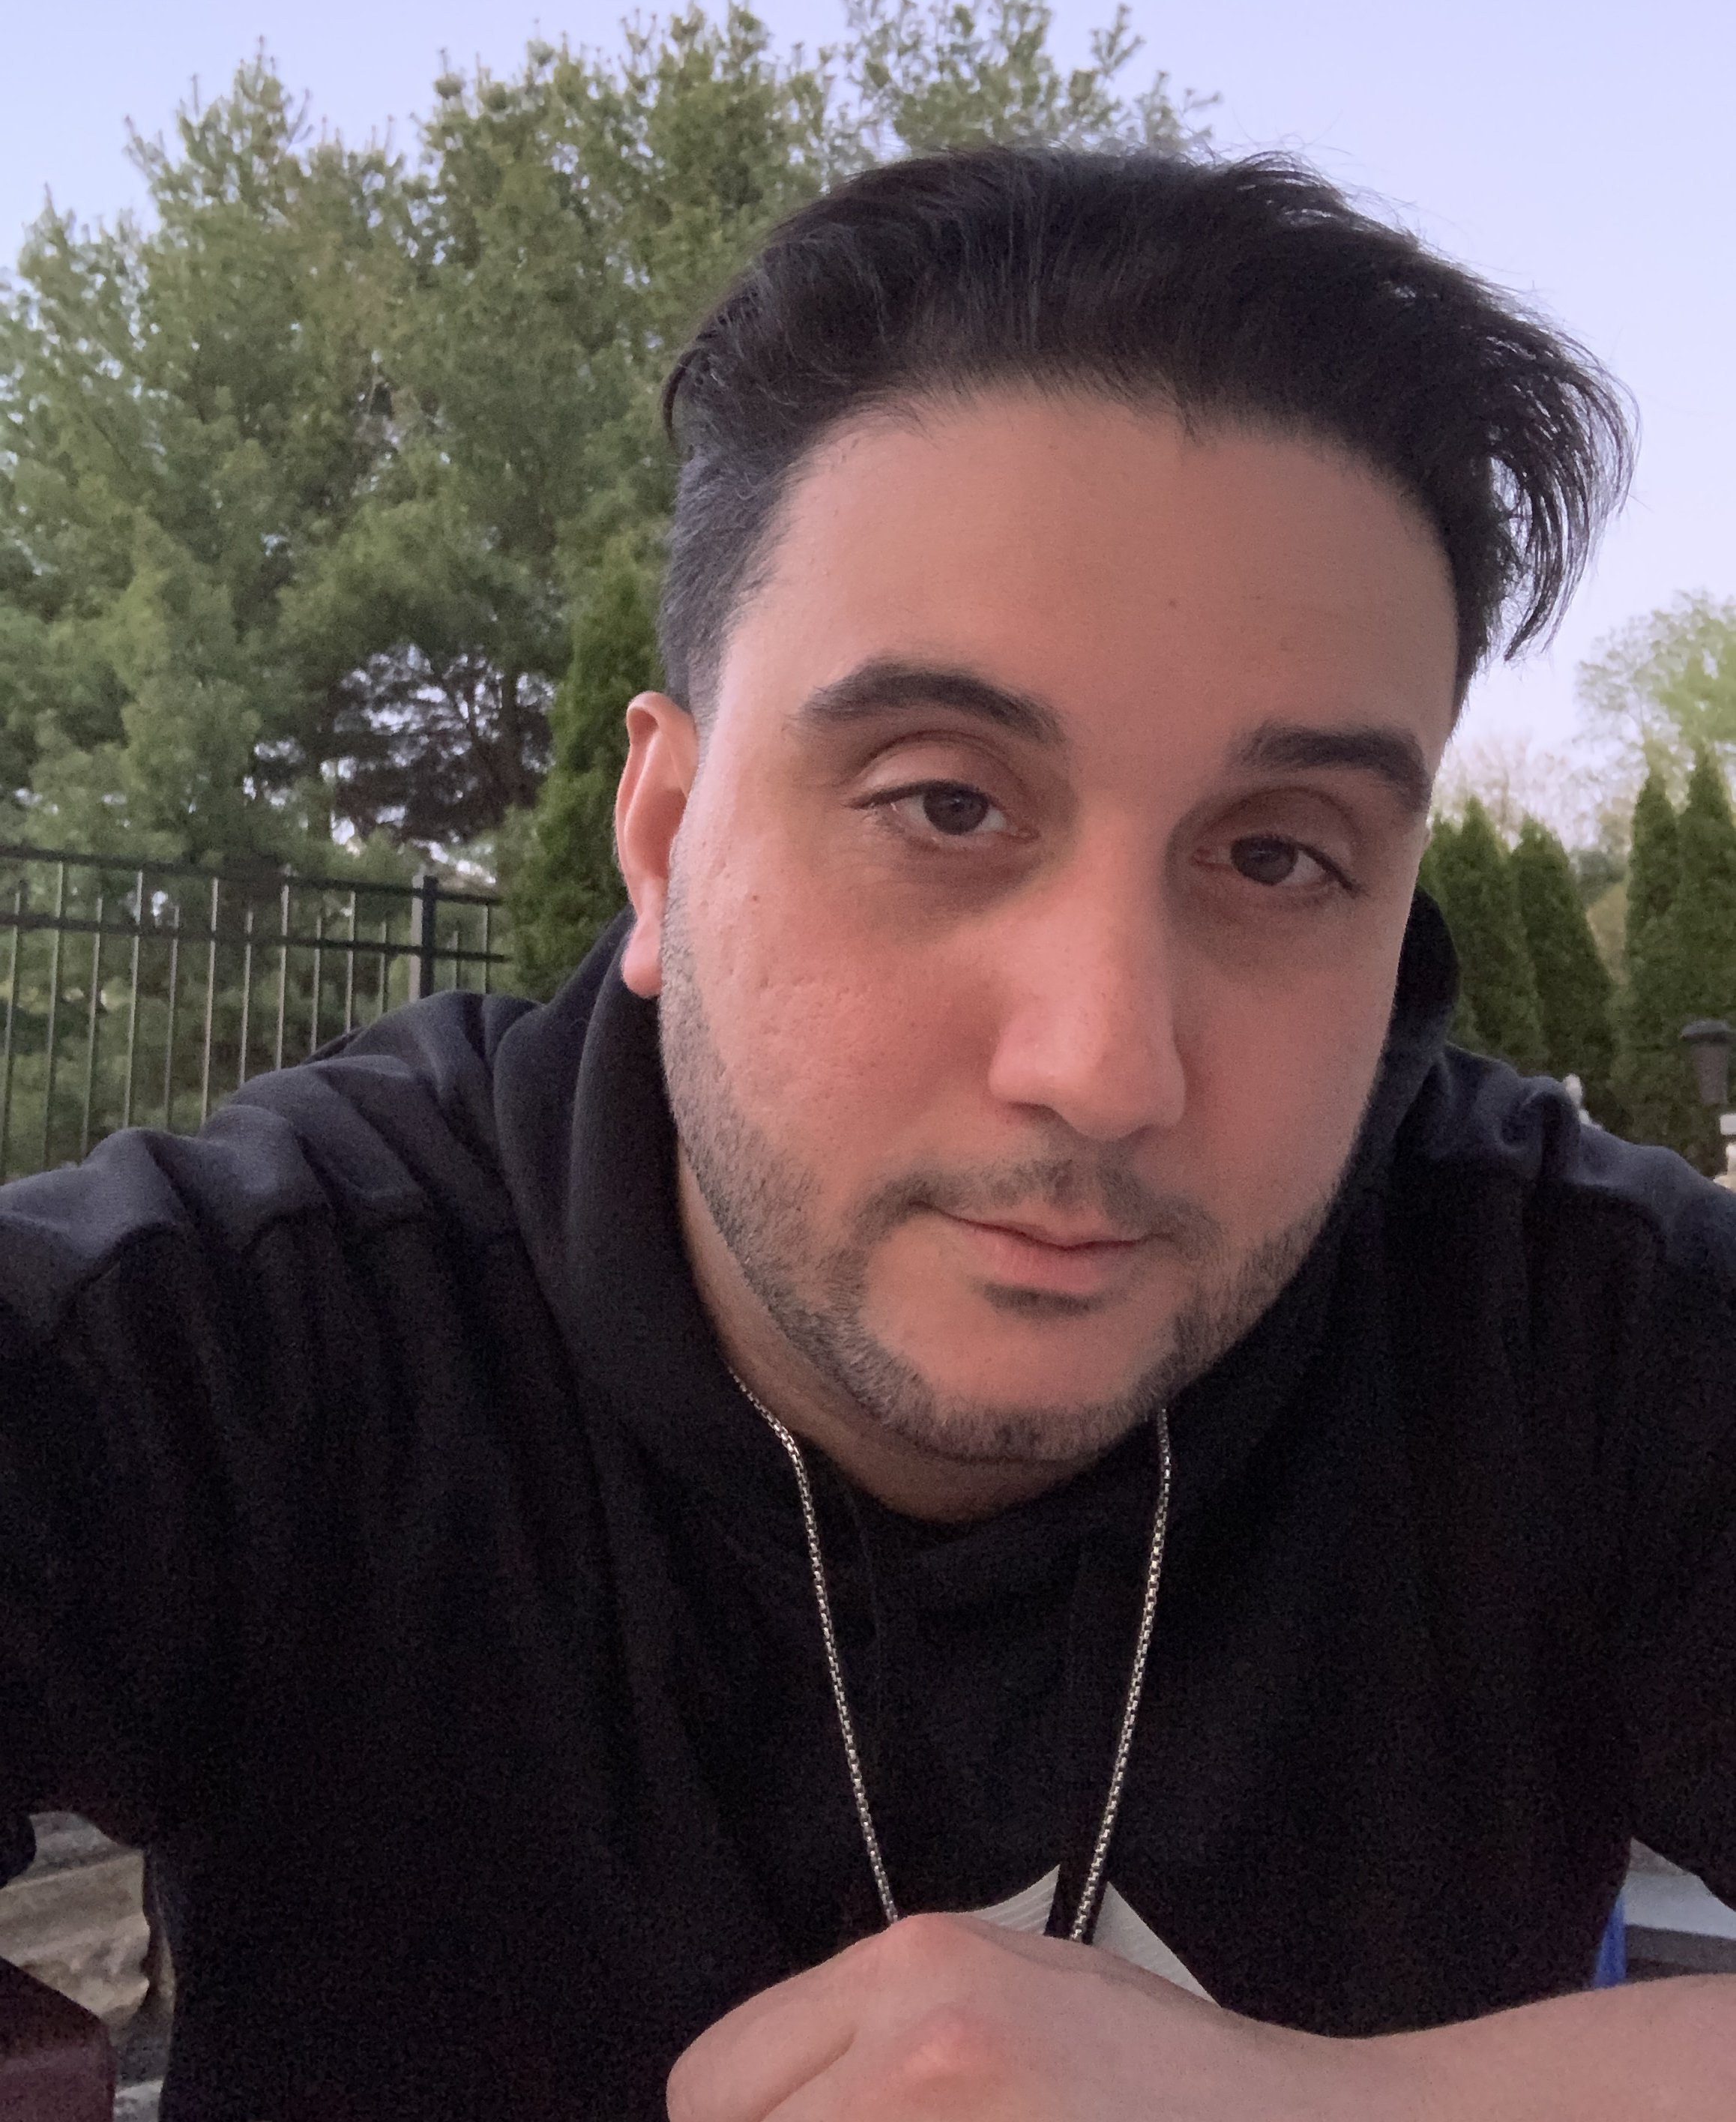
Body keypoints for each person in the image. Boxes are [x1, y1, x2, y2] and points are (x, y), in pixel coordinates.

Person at [1, 145, 1732, 2122]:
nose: (1103, 1066)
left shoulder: (1583, 1336)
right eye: (944, 805)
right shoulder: (261, 1331)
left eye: (1277, 856)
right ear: (665, 839)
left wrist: (1331, 2109)